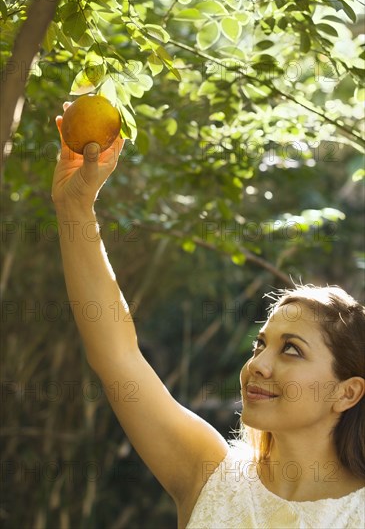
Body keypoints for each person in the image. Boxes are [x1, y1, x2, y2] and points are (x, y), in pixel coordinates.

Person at [52, 107, 365, 529]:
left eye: (291, 349)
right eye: (261, 344)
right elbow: (117, 357)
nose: (257, 365)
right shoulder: (210, 475)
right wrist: (75, 209)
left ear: (347, 393)